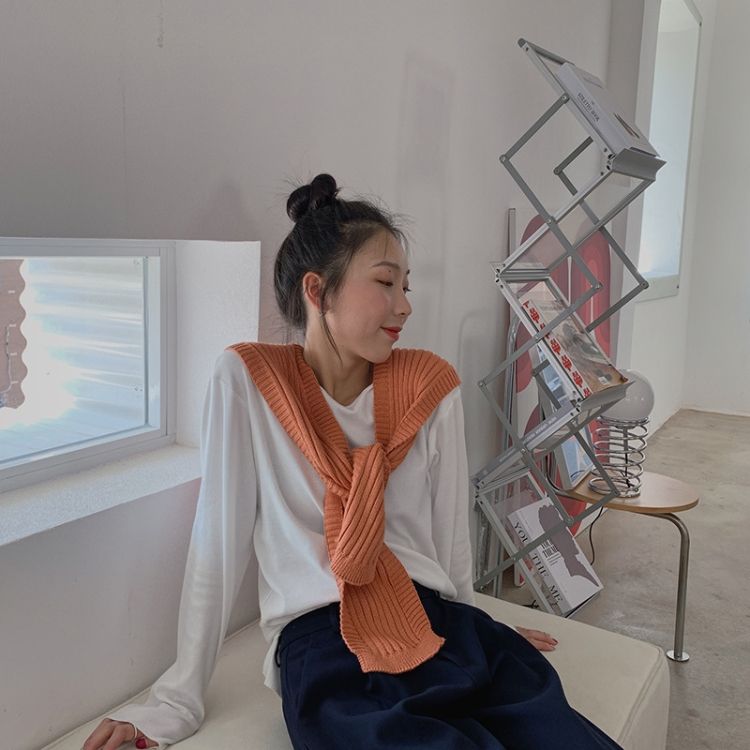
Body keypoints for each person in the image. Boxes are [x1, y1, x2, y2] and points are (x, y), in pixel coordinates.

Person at [83, 174, 622, 750]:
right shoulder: (248, 381)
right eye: (385, 283)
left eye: (406, 286)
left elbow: (449, 539)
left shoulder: (429, 385)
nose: (405, 305)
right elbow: (218, 541)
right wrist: (177, 699)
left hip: (436, 621)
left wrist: (478, 624)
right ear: (317, 291)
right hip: (325, 644)